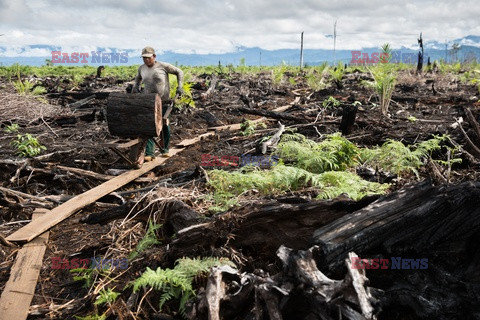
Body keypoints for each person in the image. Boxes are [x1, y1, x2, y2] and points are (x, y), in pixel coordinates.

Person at [133, 46, 184, 160]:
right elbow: (138, 79)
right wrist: (135, 87)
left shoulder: (163, 66)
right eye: (144, 58)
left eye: (148, 58)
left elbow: (179, 72)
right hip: (149, 101)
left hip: (163, 101)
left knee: (164, 125)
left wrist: (180, 86)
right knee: (150, 125)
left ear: (154, 56)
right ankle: (150, 153)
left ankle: (165, 149)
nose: (146, 60)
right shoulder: (142, 68)